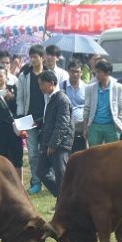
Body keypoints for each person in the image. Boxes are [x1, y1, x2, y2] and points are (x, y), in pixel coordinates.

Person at [36, 70, 74, 198]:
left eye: (42, 84)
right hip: (49, 142)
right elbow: (49, 120)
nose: (40, 87)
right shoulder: (50, 98)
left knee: (61, 176)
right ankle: (63, 198)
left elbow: (62, 125)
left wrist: (53, 144)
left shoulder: (62, 99)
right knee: (41, 171)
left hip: (59, 145)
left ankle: (64, 201)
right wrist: (35, 123)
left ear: (52, 83)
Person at [17, 45, 47, 195]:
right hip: (29, 118)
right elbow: (20, 99)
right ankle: (36, 182)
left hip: (46, 118)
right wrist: (20, 118)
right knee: (33, 153)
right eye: (32, 57)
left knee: (47, 151)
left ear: (42, 57)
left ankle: (48, 180)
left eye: (36, 56)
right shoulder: (24, 75)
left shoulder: (49, 74)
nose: (34, 60)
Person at [83, 60, 122, 146]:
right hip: (95, 125)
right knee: (94, 154)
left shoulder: (118, 87)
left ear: (108, 73)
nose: (97, 75)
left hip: (111, 126)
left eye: (99, 72)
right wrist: (85, 127)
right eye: (96, 72)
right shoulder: (90, 88)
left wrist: (119, 122)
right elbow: (86, 108)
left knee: (112, 154)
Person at [61, 60, 87, 152]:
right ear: (68, 71)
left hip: (82, 125)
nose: (75, 74)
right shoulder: (62, 86)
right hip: (66, 127)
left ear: (81, 73)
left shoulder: (86, 87)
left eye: (77, 72)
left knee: (82, 154)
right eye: (72, 71)